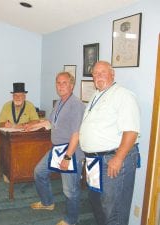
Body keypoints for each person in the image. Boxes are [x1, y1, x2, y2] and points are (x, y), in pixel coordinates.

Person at [79, 61, 140, 225]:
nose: (98, 76)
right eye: (95, 74)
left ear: (112, 74)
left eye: (102, 72)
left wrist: (118, 159)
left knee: (114, 210)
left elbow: (131, 131)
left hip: (112, 160)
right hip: (95, 162)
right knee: (98, 204)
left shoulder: (123, 95)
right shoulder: (96, 95)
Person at [28, 72, 85, 225]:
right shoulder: (59, 102)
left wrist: (67, 157)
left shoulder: (76, 105)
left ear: (71, 86)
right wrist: (34, 125)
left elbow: (76, 133)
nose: (60, 86)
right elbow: (51, 122)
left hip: (70, 151)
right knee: (39, 172)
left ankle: (71, 220)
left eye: (64, 83)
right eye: (58, 83)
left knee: (70, 190)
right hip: (57, 149)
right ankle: (47, 203)